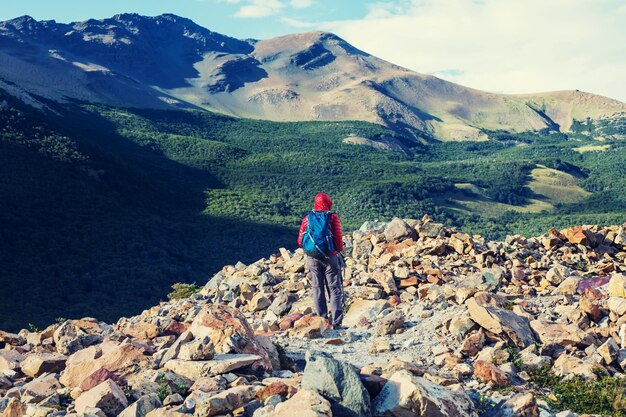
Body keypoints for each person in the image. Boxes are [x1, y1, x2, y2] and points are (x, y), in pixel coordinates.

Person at [297, 192, 345, 329]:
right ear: (328, 203)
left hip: (313, 257)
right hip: (330, 257)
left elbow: (300, 240)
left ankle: (322, 320)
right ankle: (337, 322)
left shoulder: (307, 218)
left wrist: (313, 248)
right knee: (334, 288)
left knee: (317, 288)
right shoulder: (332, 217)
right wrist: (337, 251)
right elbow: (338, 238)